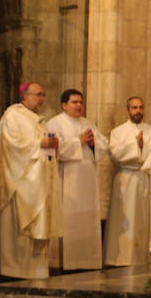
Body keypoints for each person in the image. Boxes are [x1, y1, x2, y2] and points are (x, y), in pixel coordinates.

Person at [0, 83, 63, 279]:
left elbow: (43, 147)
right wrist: (39, 143)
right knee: (20, 231)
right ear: (24, 95)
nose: (41, 99)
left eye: (43, 95)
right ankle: (14, 271)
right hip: (21, 182)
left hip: (39, 181)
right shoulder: (13, 115)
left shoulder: (39, 120)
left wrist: (52, 147)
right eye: (38, 95)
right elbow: (11, 145)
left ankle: (36, 270)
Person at [47, 89, 109, 271]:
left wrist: (92, 143)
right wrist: (78, 141)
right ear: (64, 105)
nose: (79, 105)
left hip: (87, 177)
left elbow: (103, 144)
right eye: (74, 102)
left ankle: (87, 261)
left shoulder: (88, 123)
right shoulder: (54, 123)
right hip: (67, 176)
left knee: (87, 217)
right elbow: (55, 148)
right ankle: (66, 263)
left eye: (81, 102)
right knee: (69, 219)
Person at [105, 96, 151, 268]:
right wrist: (135, 145)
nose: (138, 111)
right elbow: (115, 155)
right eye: (134, 107)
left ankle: (146, 257)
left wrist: (143, 148)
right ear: (128, 110)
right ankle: (122, 258)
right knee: (126, 218)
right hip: (126, 180)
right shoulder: (117, 132)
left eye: (141, 107)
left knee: (145, 219)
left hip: (145, 178)